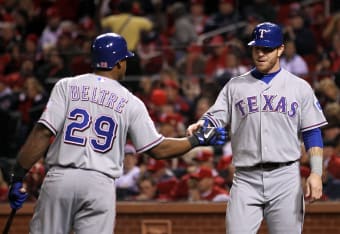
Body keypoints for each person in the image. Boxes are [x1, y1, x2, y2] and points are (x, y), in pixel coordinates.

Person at [7, 33, 227, 234]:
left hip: (60, 178)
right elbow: (158, 149)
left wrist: (18, 175)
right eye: (125, 61)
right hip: (99, 184)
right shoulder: (130, 101)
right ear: (119, 63)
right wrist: (195, 140)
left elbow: (43, 132)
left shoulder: (67, 86)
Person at [187, 22, 328, 233]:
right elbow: (215, 118)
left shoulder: (299, 87)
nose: (260, 54)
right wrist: (203, 124)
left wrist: (316, 173)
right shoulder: (235, 86)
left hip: (285, 177)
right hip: (245, 178)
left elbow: (312, 132)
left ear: (281, 49)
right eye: (256, 48)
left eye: (267, 49)